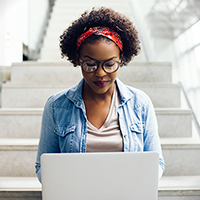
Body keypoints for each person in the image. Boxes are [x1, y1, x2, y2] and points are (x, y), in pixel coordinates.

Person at [35, 7, 164, 183]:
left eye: (110, 64)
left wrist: (137, 184)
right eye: (90, 64)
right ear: (78, 59)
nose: (101, 73)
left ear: (121, 60)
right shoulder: (56, 106)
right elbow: (43, 166)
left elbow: (157, 162)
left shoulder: (140, 103)